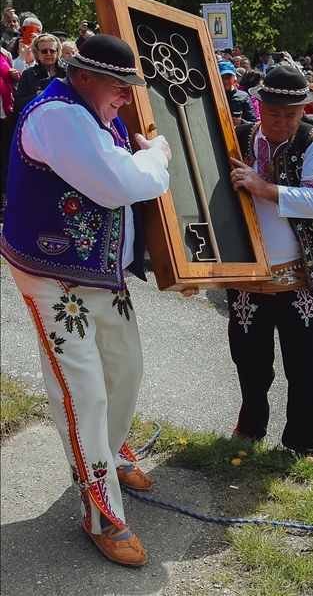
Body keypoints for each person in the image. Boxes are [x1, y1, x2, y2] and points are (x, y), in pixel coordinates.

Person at [1, 34, 172, 566]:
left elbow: (116, 170)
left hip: (99, 275)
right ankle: (101, 510)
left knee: (126, 372)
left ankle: (108, 450)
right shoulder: (59, 115)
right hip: (52, 277)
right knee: (83, 393)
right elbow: (117, 182)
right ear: (86, 75)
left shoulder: (98, 111)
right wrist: (159, 159)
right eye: (121, 86)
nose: (127, 98)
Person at [226, 66, 313, 467]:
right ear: (260, 106)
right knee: (249, 359)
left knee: (304, 364)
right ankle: (251, 426)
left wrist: (263, 188)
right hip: (248, 272)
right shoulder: (237, 136)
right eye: (275, 113)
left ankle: (306, 442)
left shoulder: (312, 142)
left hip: (298, 271)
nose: (284, 122)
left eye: (292, 114)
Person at [220, 60, 256, 124]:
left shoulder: (243, 96)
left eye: (228, 78)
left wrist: (241, 122)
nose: (225, 81)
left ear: (234, 78)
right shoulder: (210, 96)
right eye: (222, 78)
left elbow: (253, 124)